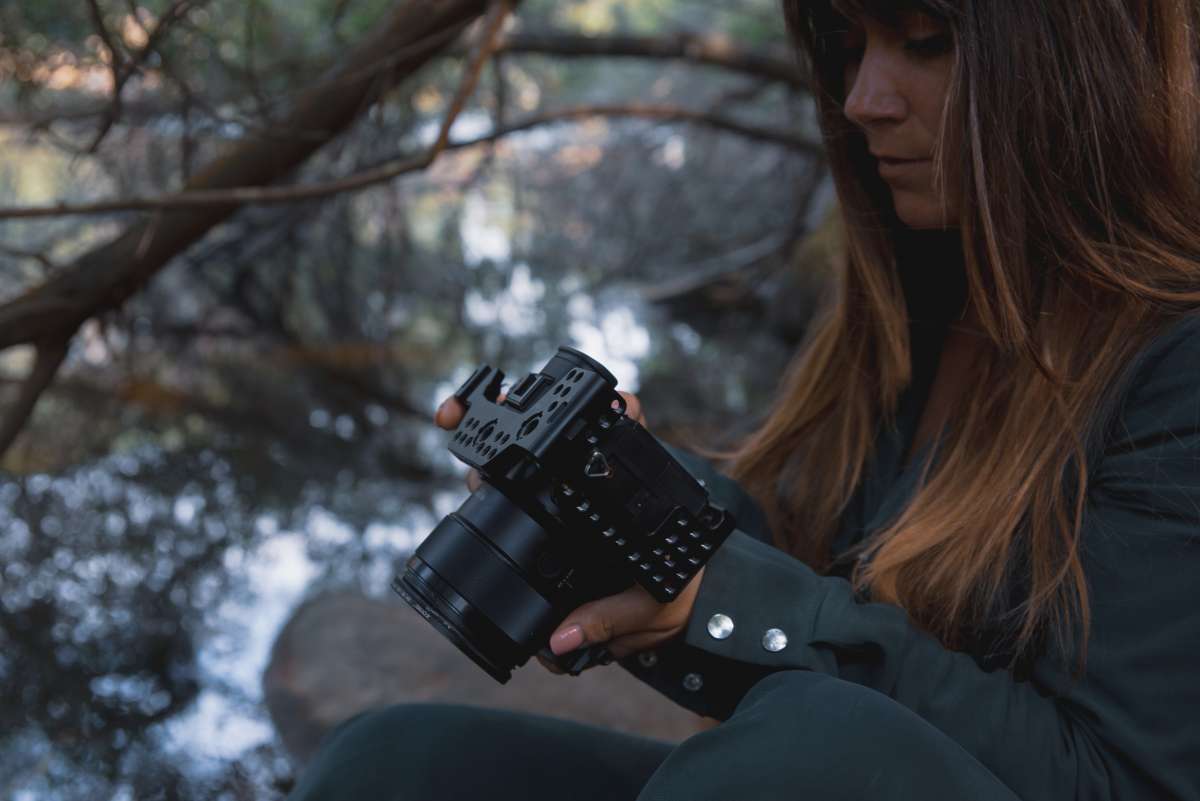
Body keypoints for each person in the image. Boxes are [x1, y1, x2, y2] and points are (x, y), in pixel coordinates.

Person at [287, 0, 1200, 798]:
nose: (862, 99)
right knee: (392, 766)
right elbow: (836, 603)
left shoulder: (1176, 367)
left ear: (1081, 66)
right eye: (851, 43)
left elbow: (1118, 780)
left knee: (793, 756)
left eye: (924, 42)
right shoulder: (925, 299)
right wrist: (634, 504)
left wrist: (729, 599)